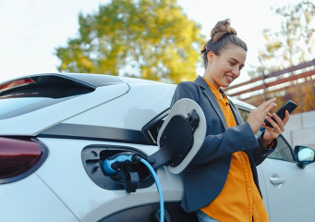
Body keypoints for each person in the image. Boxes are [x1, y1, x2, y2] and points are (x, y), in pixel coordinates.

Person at [170, 19, 289, 222]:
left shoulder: (229, 102)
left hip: (252, 209)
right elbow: (187, 151)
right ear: (211, 56)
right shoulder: (189, 90)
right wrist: (247, 129)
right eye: (232, 63)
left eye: (241, 67)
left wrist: (266, 140)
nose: (236, 73)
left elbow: (242, 158)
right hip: (220, 210)